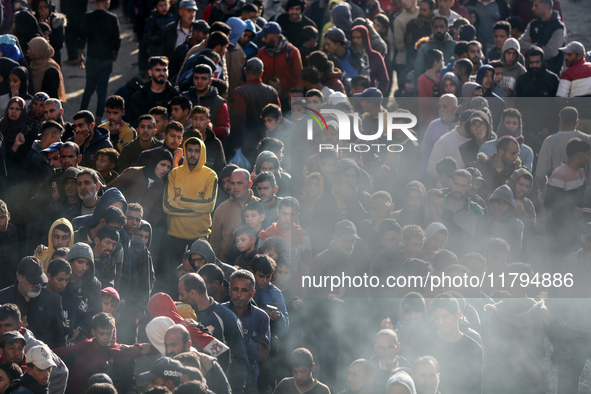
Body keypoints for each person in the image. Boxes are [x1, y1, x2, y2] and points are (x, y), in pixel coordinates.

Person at [177, 273, 248, 393]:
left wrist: (233, 390)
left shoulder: (227, 317)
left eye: (182, 294)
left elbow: (240, 359)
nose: (179, 298)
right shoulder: (184, 315)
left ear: (193, 293)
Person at [163, 137, 217, 285]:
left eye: (197, 151)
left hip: (199, 237)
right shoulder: (174, 174)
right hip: (175, 236)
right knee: (172, 278)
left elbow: (208, 206)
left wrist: (180, 200)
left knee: (200, 279)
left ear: (203, 153)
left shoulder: (210, 176)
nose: (193, 154)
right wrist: (195, 210)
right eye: (190, 150)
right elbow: (167, 206)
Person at [54, 312, 151, 394]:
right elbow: (68, 351)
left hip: (95, 388)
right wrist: (48, 352)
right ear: (93, 332)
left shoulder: (113, 347)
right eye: (102, 334)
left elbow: (129, 353)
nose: (106, 337)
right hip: (75, 386)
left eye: (109, 333)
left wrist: (141, 349)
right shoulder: (88, 344)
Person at [0, 257, 66, 349]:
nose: (37, 285)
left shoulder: (53, 300)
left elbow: (59, 338)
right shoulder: (3, 298)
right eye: (33, 281)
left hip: (43, 358)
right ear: (20, 277)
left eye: (40, 281)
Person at [223, 270, 271, 392]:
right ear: (229, 290)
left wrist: (240, 336)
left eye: (244, 290)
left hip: (249, 384)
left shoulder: (261, 317)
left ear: (252, 293)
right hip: (222, 380)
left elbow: (263, 353)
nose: (238, 295)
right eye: (235, 289)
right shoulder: (219, 311)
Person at [424, 295, 483, 394]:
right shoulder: (426, 345)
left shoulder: (473, 348)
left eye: (445, 316)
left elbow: (477, 388)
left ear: (458, 315)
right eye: (436, 318)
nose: (440, 322)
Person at [545, 138, 590, 260]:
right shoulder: (559, 175)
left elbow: (579, 196)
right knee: (559, 263)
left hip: (573, 229)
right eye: (586, 155)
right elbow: (550, 206)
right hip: (559, 231)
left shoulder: (580, 172)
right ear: (580, 155)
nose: (588, 158)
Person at [77, 0, 121, 122]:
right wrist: (115, 53)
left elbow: (82, 36)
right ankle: (98, 118)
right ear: (107, 2)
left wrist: (80, 54)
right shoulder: (112, 18)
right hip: (106, 59)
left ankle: (81, 114)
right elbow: (116, 39)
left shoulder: (88, 17)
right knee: (102, 89)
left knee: (89, 88)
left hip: (92, 58)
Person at [108, 148, 173, 226]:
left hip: (138, 228)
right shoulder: (133, 172)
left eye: (168, 167)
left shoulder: (160, 184)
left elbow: (156, 211)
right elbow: (110, 191)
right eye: (162, 165)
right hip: (118, 222)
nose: (165, 169)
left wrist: (148, 225)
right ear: (154, 162)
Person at [211, 168, 258, 262]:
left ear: (250, 184)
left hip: (255, 264)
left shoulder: (259, 205)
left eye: (240, 183)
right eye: (232, 183)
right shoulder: (222, 209)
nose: (235, 187)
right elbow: (215, 244)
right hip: (228, 264)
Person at [181, 64, 230, 140]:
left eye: (203, 78)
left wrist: (208, 127)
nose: (199, 81)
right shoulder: (183, 98)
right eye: (196, 78)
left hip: (208, 146)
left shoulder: (219, 103)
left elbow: (225, 132)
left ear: (210, 80)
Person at [441, 169, 483, 256]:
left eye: (463, 186)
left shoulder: (476, 211)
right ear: (450, 182)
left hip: (463, 258)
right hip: (438, 255)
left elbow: (480, 239)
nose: (458, 189)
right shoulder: (439, 203)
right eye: (456, 184)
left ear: (469, 186)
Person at [129, 57, 180, 128]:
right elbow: (134, 122)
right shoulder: (139, 96)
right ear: (150, 72)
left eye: (164, 70)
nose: (162, 73)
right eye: (158, 70)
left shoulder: (175, 94)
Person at [518, 0, 565, 75]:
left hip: (551, 75)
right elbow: (520, 44)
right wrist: (538, 46)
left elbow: (551, 52)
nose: (532, 8)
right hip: (531, 74)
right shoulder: (533, 24)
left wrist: (530, 47)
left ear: (546, 6)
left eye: (536, 6)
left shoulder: (558, 27)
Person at [258, 22, 304, 95]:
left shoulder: (292, 52)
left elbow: (299, 76)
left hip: (287, 96)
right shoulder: (261, 52)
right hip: (266, 94)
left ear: (275, 36)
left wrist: (297, 97)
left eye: (265, 36)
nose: (263, 39)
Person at [349, 25, 389, 95]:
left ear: (365, 38)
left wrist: (375, 96)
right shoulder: (349, 55)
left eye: (358, 38)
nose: (355, 40)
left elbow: (384, 80)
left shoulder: (375, 56)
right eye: (353, 37)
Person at [414, 16, 456, 81]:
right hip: (429, 85)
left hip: (451, 86)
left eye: (441, 27)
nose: (438, 30)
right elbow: (418, 71)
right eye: (436, 27)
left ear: (447, 28)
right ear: (432, 28)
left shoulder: (454, 47)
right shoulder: (425, 48)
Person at [26, 37, 66, 101]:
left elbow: (51, 96)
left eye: (31, 49)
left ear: (38, 51)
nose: (28, 51)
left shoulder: (51, 71)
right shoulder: (31, 64)